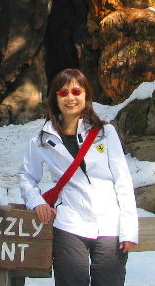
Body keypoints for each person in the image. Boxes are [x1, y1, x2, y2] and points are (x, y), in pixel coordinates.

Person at [18, 68, 138, 286]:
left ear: (86, 96)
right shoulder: (42, 139)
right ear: (55, 98)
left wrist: (128, 228)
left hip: (110, 224)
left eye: (76, 91)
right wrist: (36, 202)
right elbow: (27, 175)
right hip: (69, 224)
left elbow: (123, 181)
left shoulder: (104, 133)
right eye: (63, 93)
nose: (70, 97)